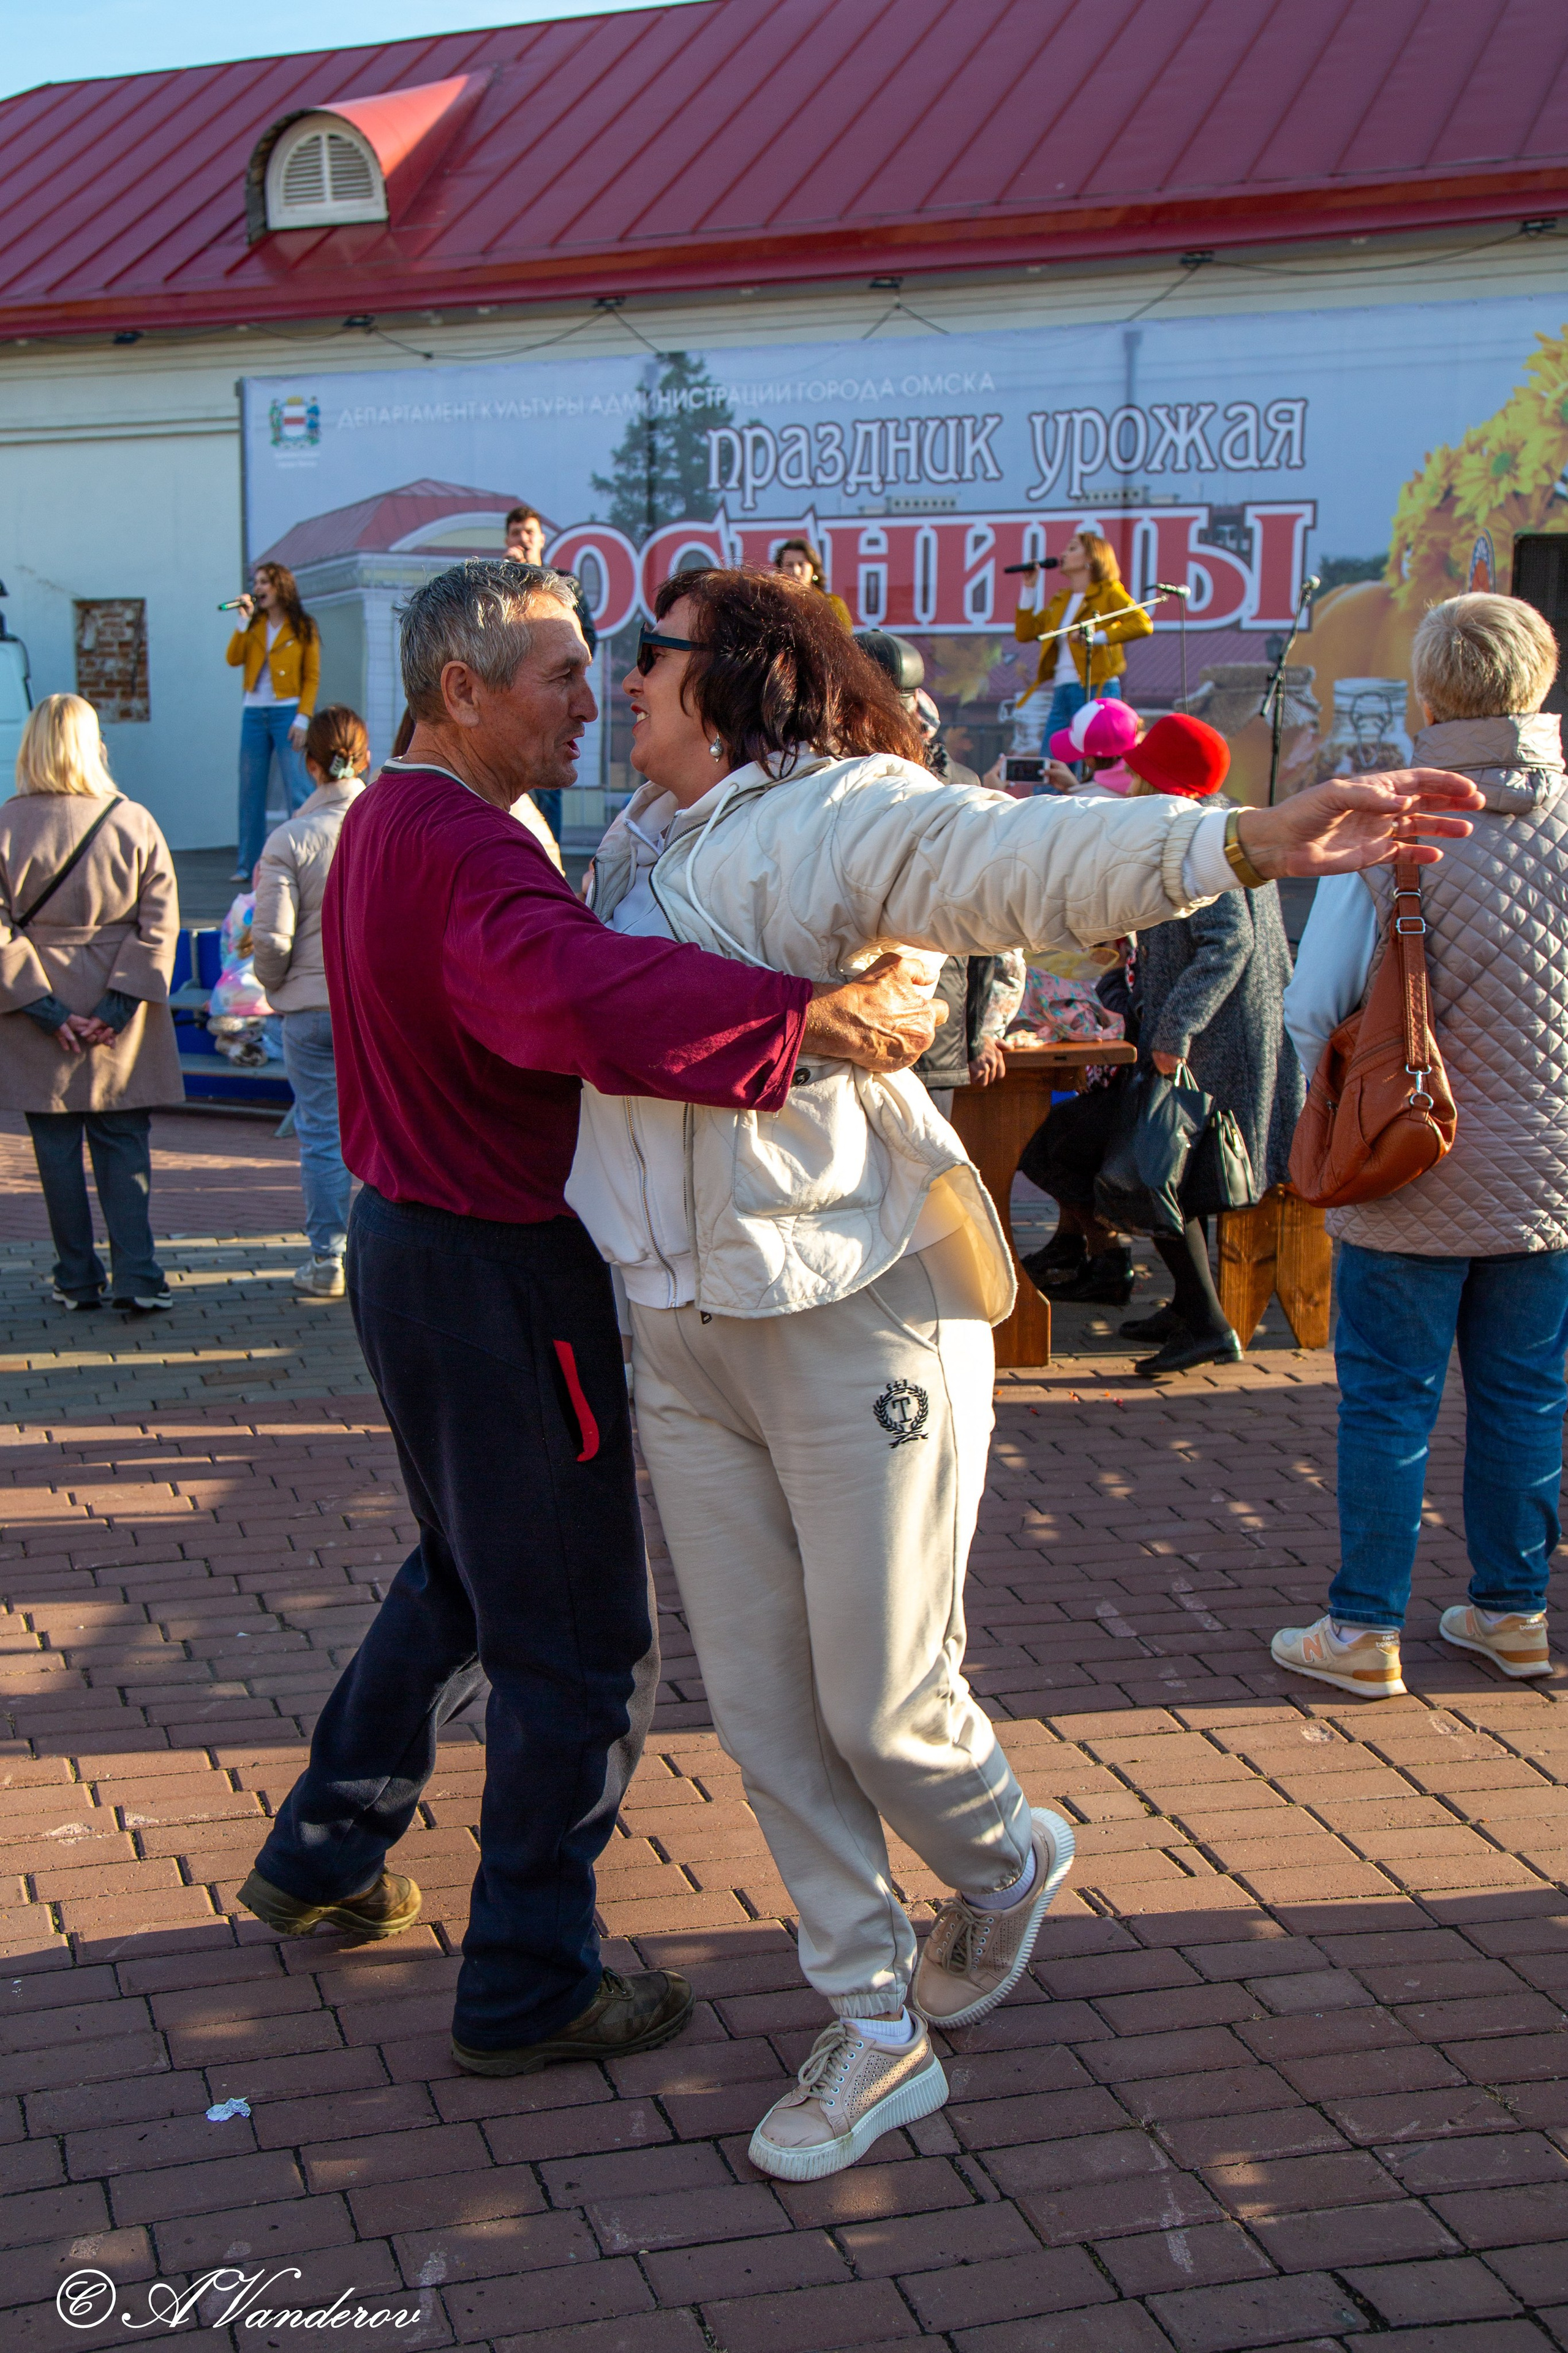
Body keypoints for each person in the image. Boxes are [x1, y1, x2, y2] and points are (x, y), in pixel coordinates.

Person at [566, 564, 1482, 2180]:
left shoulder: (834, 810)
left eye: (654, 654)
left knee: (886, 1705)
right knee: (771, 1716)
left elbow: (999, 852)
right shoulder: (637, 851)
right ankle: (870, 2025)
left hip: (855, 1311)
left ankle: (1004, 1862)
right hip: (682, 1323)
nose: (624, 678)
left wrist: (1239, 842)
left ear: (744, 683)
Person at [236, 559, 949, 2083]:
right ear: (462, 691)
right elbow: (564, 987)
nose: (601, 693)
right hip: (498, 1275)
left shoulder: (396, 818)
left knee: (464, 1576)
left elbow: (553, 978)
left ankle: (322, 1846)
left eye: (604, 666)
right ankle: (525, 1978)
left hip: (415, 1251)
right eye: (560, 672)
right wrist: (805, 1020)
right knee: (574, 1644)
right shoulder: (471, 843)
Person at [1274, 591, 1568, 1698]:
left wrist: (1331, 1089)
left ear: (1429, 696)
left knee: (1391, 1398)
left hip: (1411, 1161)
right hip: (1552, 1175)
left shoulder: (1402, 828)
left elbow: (1316, 1007)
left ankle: (1364, 1631)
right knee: (1527, 1396)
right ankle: (1514, 1613)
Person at [1114, 712, 1306, 1376]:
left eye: (1144, 768)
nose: (1131, 777)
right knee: (1174, 1175)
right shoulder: (1214, 828)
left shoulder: (1206, 837)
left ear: (1166, 780)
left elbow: (1229, 946)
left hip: (1220, 1043)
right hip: (1218, 1037)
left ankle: (1205, 1322)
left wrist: (1172, 1035)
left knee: (1165, 1172)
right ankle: (1190, 1305)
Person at [0, 693, 180, 1313]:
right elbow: (160, 924)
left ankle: (76, 1278)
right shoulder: (132, 821)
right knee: (124, 1144)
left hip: (36, 1011)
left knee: (53, 1154)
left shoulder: (6, 822)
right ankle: (138, 1274)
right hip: (116, 1016)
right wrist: (117, 1007)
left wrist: (46, 1009)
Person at [252, 704, 369, 1302]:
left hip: (308, 1007)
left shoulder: (289, 840)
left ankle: (328, 1257)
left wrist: (274, 986)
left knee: (321, 1134)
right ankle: (384, 1255)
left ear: (309, 763)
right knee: (383, 1128)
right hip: (375, 1008)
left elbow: (271, 939)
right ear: (365, 758)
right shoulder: (390, 828)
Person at [1013, 531, 1153, 750]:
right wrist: (1029, 588)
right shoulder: (1062, 599)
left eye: (1072, 548)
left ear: (1091, 558)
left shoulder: (1109, 591)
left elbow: (1142, 623)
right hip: (1063, 687)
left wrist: (1096, 639)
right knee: (1052, 758)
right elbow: (1025, 632)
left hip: (1097, 685)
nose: (1063, 554)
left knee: (1092, 756)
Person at [225, 562, 319, 883]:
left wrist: (304, 718)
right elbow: (233, 659)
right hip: (254, 711)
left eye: (265, 582)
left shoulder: (304, 626)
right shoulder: (254, 623)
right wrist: (243, 620)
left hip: (288, 711)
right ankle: (247, 864)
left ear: (281, 588)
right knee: (250, 789)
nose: (259, 587)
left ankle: (309, 858)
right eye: (257, 582)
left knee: (299, 787)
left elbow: (312, 677)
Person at [775, 536, 852, 629]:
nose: (796, 571)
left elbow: (845, 642)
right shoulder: (772, 606)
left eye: (801, 564)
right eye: (789, 565)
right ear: (780, 571)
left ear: (814, 569)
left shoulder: (833, 605)